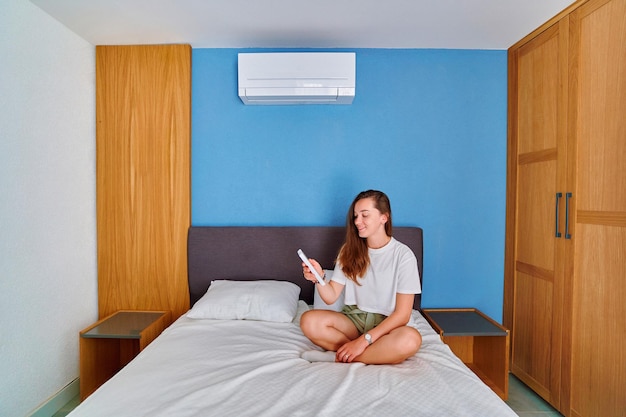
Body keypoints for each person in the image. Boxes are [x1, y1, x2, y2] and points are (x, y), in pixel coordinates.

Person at [300, 190, 422, 364]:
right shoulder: (348, 251)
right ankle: (367, 353)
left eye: (365, 215)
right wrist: (318, 278)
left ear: (384, 218)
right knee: (309, 320)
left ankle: (338, 356)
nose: (357, 221)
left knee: (410, 339)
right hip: (354, 320)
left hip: (387, 325)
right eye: (356, 216)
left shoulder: (403, 256)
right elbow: (330, 296)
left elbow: (402, 315)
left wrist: (363, 341)